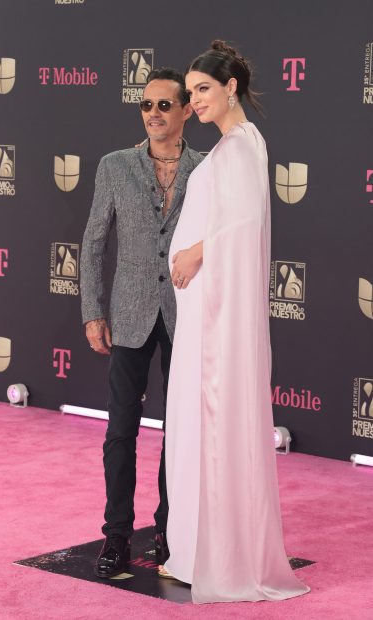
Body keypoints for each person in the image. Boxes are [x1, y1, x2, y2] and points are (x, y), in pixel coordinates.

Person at [159, 41, 310, 603]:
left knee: (215, 426)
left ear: (231, 88)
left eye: (203, 90)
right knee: (196, 431)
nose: (193, 100)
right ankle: (197, 551)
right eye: (190, 91)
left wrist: (197, 252)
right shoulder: (227, 147)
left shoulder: (243, 146)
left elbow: (243, 229)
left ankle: (222, 558)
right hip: (202, 315)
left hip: (219, 324)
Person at [80, 67, 203, 578]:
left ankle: (172, 533)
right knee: (121, 431)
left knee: (181, 432)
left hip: (187, 313)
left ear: (187, 111)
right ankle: (117, 536)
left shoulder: (206, 169)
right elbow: (92, 242)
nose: (153, 113)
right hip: (129, 313)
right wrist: (93, 311)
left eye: (164, 105)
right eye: (145, 105)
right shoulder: (114, 166)